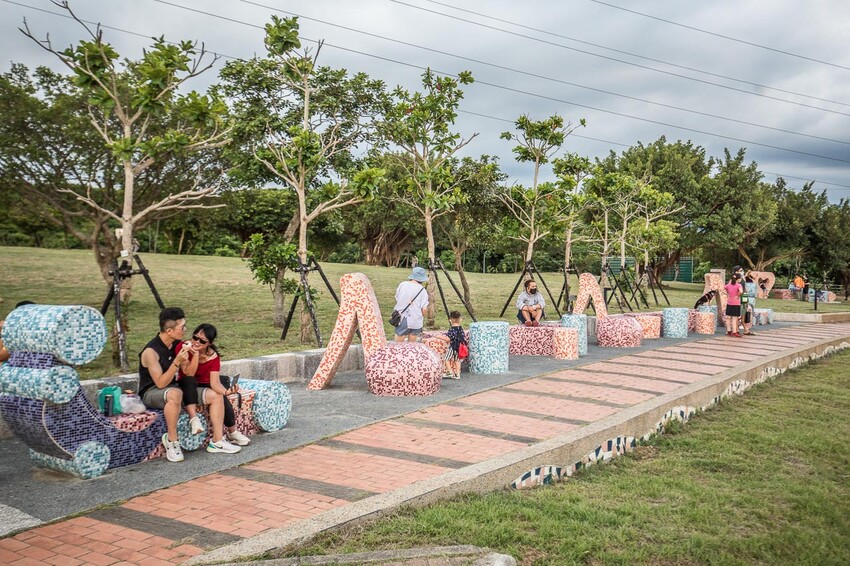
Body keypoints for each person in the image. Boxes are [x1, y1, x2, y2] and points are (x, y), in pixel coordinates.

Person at [176, 324, 248, 452]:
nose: (197, 342)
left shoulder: (213, 356)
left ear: (209, 343)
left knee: (222, 396)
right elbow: (189, 374)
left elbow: (214, 383)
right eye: (195, 338)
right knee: (216, 395)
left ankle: (231, 433)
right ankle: (223, 438)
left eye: (202, 341)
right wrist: (196, 355)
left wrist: (227, 391)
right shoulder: (184, 348)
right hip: (188, 384)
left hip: (206, 384)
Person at [139, 307, 191, 462]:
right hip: (151, 392)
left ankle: (220, 439)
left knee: (211, 393)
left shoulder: (176, 345)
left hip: (172, 388)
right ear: (169, 331)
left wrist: (192, 355)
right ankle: (172, 441)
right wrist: (176, 362)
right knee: (175, 394)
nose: (185, 330)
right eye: (182, 327)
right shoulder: (151, 351)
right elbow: (160, 383)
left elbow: (188, 373)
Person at [393, 267, 430, 343]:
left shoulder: (402, 285)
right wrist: (423, 315)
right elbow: (424, 309)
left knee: (398, 344)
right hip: (416, 319)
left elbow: (397, 298)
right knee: (412, 345)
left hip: (402, 317)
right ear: (422, 279)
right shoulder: (423, 290)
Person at [437, 311, 467, 380]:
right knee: (457, 360)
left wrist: (439, 337)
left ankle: (450, 371)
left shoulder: (452, 329)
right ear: (460, 320)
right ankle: (457, 374)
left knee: (446, 359)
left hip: (453, 347)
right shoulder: (460, 328)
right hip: (460, 347)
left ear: (450, 320)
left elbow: (448, 339)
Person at [724, 273, 743, 338]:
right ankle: (734, 332)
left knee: (728, 317)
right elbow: (741, 291)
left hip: (729, 303)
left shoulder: (728, 285)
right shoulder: (739, 285)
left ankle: (729, 331)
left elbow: (723, 289)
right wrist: (737, 296)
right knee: (734, 318)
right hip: (736, 303)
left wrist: (728, 294)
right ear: (739, 279)